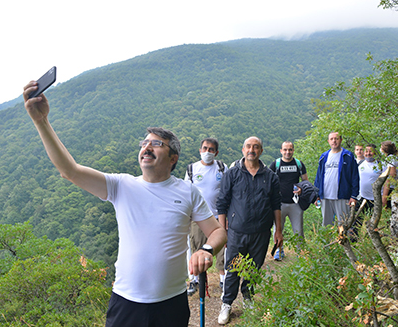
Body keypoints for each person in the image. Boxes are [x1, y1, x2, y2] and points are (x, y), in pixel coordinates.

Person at [23, 81, 227, 327]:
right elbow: (70, 171)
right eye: (144, 143)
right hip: (126, 302)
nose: (146, 147)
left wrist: (205, 250)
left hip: (171, 302)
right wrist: (41, 121)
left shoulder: (187, 191)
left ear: (173, 158)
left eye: (156, 144)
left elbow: (217, 231)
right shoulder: (121, 185)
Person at [216, 136, 283, 325]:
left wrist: (278, 230)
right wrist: (223, 231)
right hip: (237, 231)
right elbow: (222, 203)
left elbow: (276, 204)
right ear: (243, 149)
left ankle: (248, 298)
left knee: (254, 268)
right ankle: (227, 303)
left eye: (256, 147)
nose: (251, 150)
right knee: (233, 268)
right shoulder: (232, 173)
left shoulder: (271, 176)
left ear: (261, 151)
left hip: (261, 232)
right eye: (248, 146)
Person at [185, 138, 228, 295]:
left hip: (219, 216)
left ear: (216, 152)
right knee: (196, 248)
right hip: (198, 218)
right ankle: (195, 281)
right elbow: (186, 193)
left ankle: (224, 280)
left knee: (223, 250)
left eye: (211, 149)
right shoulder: (192, 169)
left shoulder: (222, 168)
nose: (207, 152)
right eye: (205, 148)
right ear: (200, 150)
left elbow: (228, 192)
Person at [268, 141, 308, 260]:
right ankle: (279, 251)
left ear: (293, 150)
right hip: (279, 204)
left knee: (298, 230)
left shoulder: (298, 164)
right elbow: (269, 182)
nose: (287, 152)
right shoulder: (275, 164)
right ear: (281, 151)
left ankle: (300, 253)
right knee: (278, 229)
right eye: (285, 149)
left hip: (295, 203)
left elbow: (306, 182)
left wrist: (302, 189)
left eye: (290, 149)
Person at [314, 132, 360, 226]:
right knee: (326, 225)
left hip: (342, 196)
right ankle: (328, 241)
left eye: (336, 138)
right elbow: (318, 177)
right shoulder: (323, 157)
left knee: (344, 224)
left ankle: (343, 241)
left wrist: (354, 195)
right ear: (328, 141)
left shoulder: (348, 156)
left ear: (341, 140)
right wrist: (315, 195)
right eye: (331, 139)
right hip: (325, 196)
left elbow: (355, 177)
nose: (334, 141)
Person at [354, 144, 385, 236]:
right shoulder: (360, 164)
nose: (368, 153)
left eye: (370, 151)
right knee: (356, 221)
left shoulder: (381, 165)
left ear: (375, 152)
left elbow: (387, 182)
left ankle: (371, 240)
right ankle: (354, 241)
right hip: (361, 198)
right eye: (366, 151)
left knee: (373, 223)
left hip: (376, 199)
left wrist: (384, 197)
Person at [380, 140, 398, 208]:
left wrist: (384, 196)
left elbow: (391, 175)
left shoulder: (391, 159)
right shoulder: (390, 158)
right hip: (388, 186)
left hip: (390, 187)